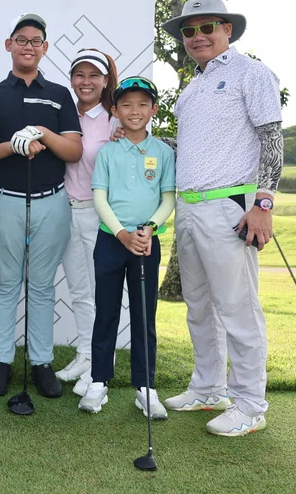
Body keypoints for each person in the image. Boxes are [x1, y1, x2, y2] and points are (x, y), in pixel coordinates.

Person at [158, 0, 281, 436]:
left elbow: (271, 139)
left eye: (207, 27)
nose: (197, 37)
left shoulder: (253, 73)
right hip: (190, 208)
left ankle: (250, 405)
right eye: (189, 31)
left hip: (231, 206)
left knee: (238, 309)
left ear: (228, 29)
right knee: (199, 307)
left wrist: (263, 203)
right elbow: (192, 152)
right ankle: (209, 388)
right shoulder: (191, 90)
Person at [0, 14, 82, 399]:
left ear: (45, 48)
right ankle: (0, 361)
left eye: (36, 41)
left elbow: (73, 149)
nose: (28, 46)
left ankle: (40, 362)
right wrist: (13, 145)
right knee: (5, 283)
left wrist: (43, 133)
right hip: (2, 199)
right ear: (9, 45)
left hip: (50, 201)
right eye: (21, 39)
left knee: (41, 286)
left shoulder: (58, 94)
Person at [77, 76, 175, 420]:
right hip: (111, 240)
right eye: (127, 105)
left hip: (147, 244)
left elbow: (168, 197)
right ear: (115, 110)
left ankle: (145, 387)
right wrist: (121, 234)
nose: (135, 111)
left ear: (154, 109)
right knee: (105, 313)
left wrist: (148, 229)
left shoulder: (163, 152)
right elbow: (99, 197)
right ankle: (99, 381)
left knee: (144, 316)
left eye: (143, 104)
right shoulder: (108, 150)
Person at [56, 49, 120, 398]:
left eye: (93, 75)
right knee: (79, 290)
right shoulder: (64, 115)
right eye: (79, 75)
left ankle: (100, 368)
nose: (86, 82)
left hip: (100, 215)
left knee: (102, 293)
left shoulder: (115, 121)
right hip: (66, 210)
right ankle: (85, 354)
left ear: (106, 80)